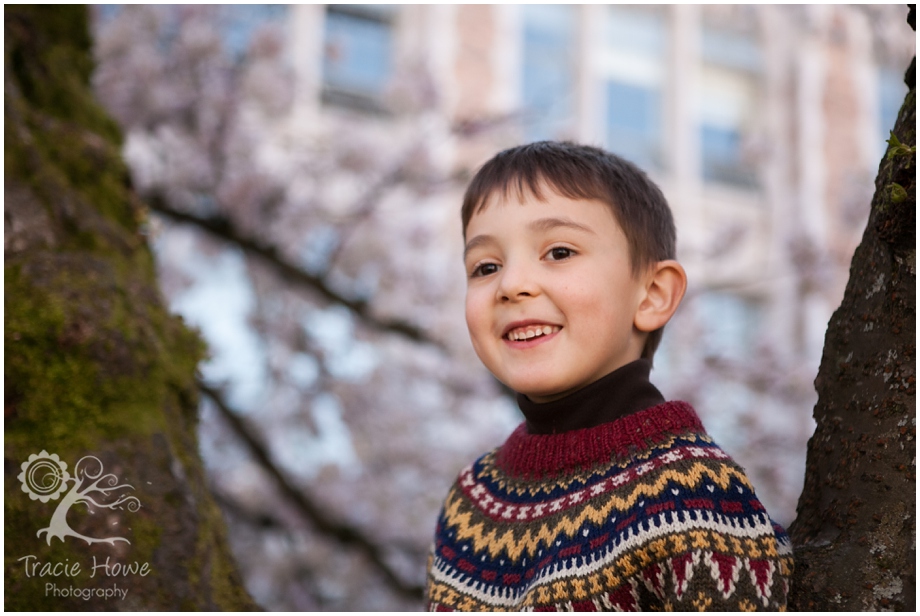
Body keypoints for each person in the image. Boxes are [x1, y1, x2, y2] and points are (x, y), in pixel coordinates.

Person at [425, 141, 793, 611]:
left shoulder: (691, 496)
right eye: (486, 267)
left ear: (652, 295)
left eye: (558, 252)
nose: (511, 284)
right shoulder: (470, 502)